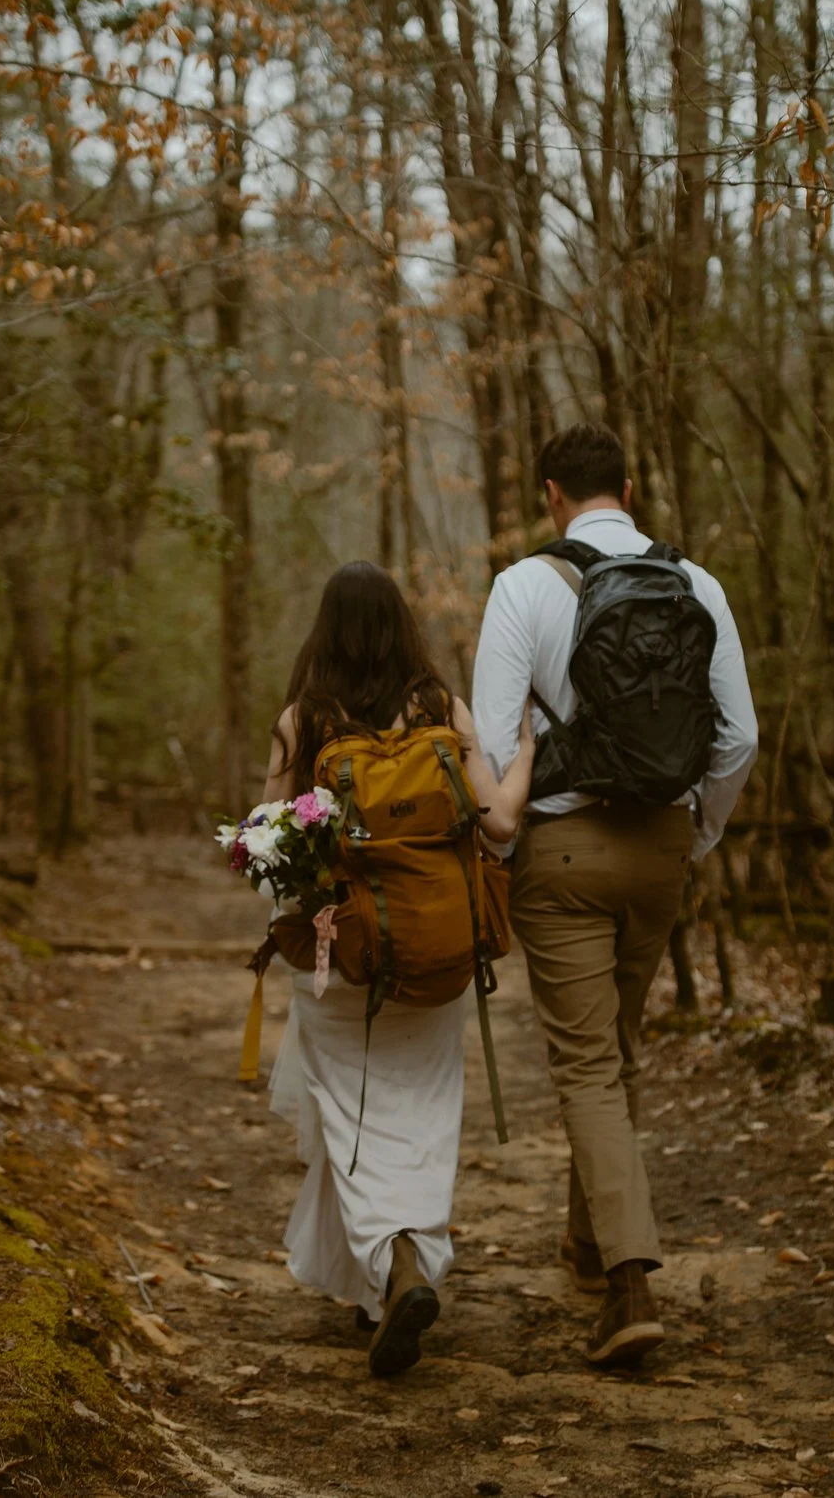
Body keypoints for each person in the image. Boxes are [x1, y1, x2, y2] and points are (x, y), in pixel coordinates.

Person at [471, 423, 757, 1367]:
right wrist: (698, 830)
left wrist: (491, 843)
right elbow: (739, 737)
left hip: (561, 851)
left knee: (590, 1064)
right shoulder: (696, 584)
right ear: (629, 487)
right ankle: (588, 1241)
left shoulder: (523, 586)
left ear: (552, 493)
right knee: (616, 1049)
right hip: (662, 847)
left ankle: (628, 1280)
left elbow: (495, 738)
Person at [262, 560, 534, 1378]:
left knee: (352, 1119)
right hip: (439, 953)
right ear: (400, 625)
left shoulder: (302, 721)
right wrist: (527, 749)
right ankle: (386, 1277)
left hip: (345, 956)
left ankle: (399, 1261)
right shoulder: (438, 709)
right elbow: (501, 826)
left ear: (326, 629)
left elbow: (269, 850)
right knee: (418, 1114)